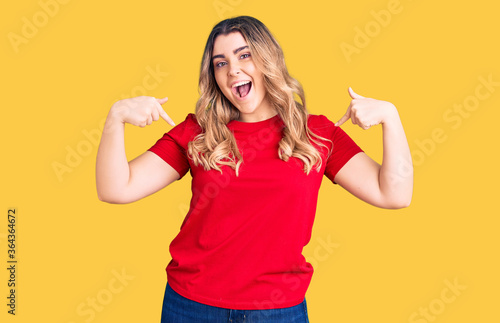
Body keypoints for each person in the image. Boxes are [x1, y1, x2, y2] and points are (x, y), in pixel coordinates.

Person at [96, 15, 413, 323]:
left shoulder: (316, 133)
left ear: (268, 60)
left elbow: (394, 193)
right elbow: (116, 188)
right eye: (221, 63)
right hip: (192, 305)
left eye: (243, 55)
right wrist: (115, 118)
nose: (233, 70)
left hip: (278, 310)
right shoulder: (198, 132)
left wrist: (391, 118)